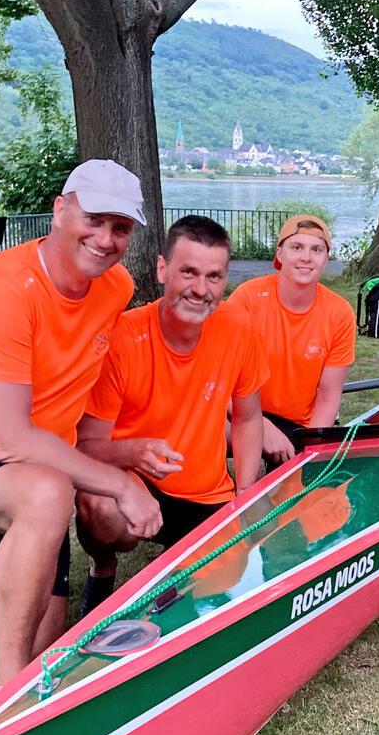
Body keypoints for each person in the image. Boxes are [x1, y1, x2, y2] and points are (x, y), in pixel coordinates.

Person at [0, 159, 161, 692]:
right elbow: (10, 439)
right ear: (60, 211)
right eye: (94, 219)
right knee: (48, 492)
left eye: (120, 227)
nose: (105, 239)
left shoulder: (115, 287)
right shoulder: (5, 288)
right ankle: (10, 694)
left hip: (42, 462)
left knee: (42, 638)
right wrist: (119, 484)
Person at [74, 214, 269, 613]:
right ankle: (103, 566)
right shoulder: (122, 338)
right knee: (98, 506)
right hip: (136, 480)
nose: (200, 289)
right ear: (163, 269)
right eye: (189, 272)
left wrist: (245, 496)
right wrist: (133, 453)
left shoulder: (237, 326)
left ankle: (186, 551)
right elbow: (86, 446)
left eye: (214, 277)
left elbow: (248, 417)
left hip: (206, 490)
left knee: (223, 582)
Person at [224, 214, 355, 463]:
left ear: (326, 258)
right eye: (297, 247)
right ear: (280, 254)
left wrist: (313, 450)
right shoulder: (247, 298)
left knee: (300, 475)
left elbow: (328, 396)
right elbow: (216, 379)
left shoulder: (339, 313)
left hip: (295, 425)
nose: (306, 257)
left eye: (316, 249)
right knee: (204, 433)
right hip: (238, 411)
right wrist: (259, 425)